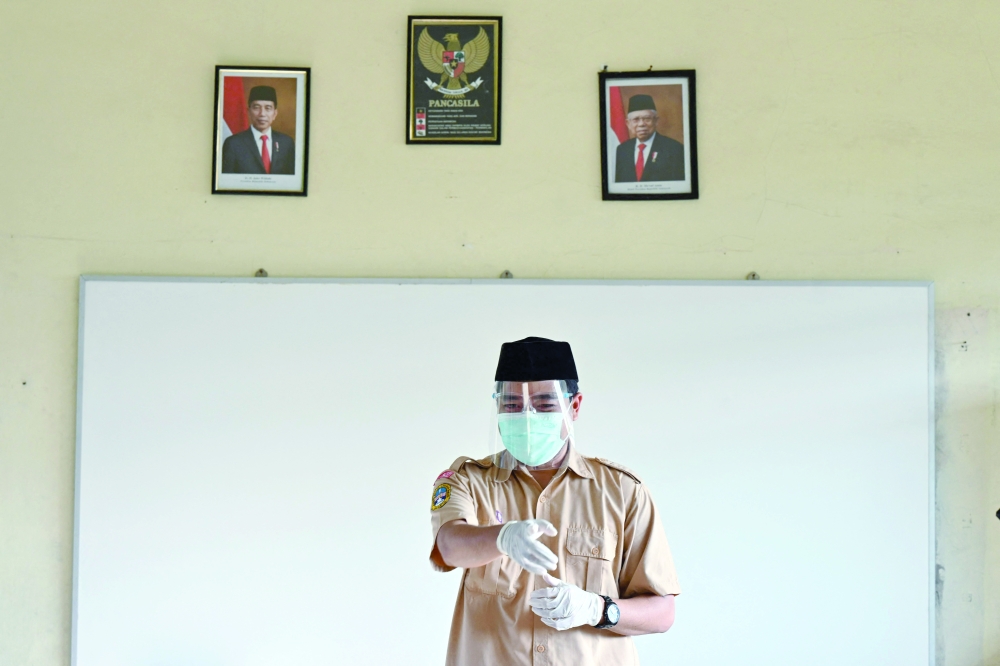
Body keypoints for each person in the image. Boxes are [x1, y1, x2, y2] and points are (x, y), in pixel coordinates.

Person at [429, 337, 680, 665]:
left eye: (545, 404)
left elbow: (662, 612)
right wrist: (502, 537)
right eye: (512, 405)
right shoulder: (468, 479)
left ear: (574, 406)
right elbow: (449, 546)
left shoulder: (623, 492)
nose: (527, 417)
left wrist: (597, 609)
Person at [221, 85, 295, 175]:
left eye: (268, 108)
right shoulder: (233, 143)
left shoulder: (286, 143)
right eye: (256, 107)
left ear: (275, 113)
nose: (262, 114)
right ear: (248, 111)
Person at [614, 94, 685, 183]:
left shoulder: (675, 149)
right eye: (636, 120)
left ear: (656, 121)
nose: (641, 124)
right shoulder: (622, 150)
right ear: (628, 123)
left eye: (647, 119)